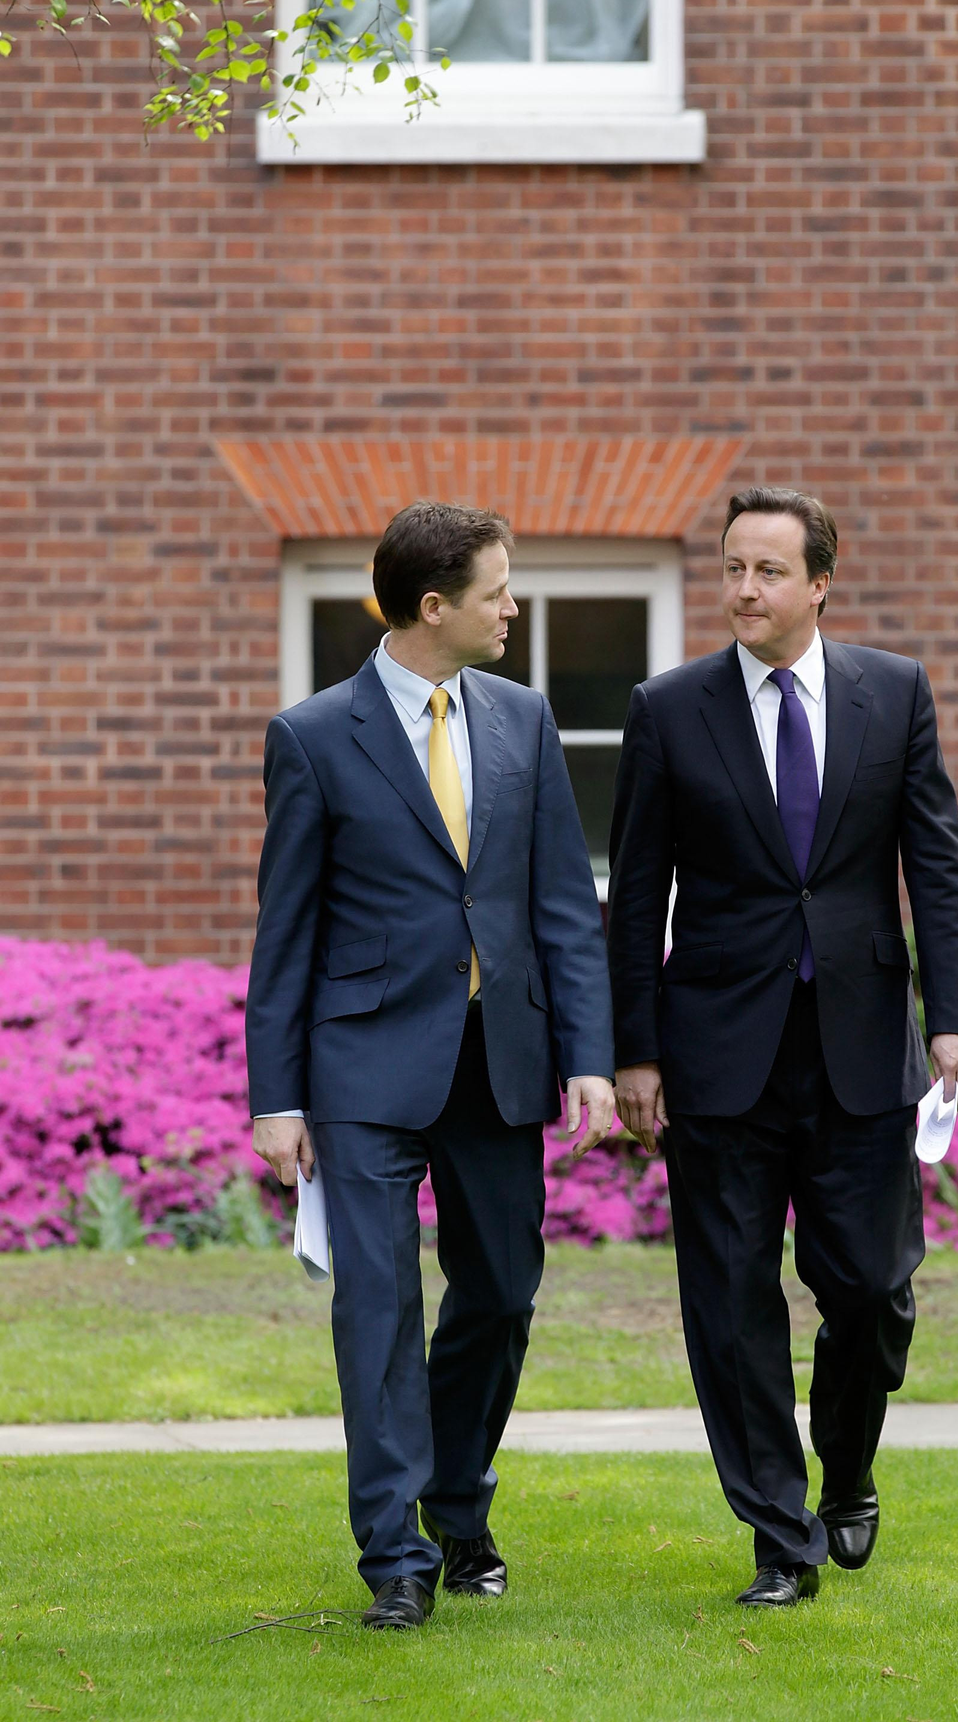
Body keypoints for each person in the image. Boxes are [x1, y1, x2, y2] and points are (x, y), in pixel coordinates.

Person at [607, 487, 958, 1608]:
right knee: (729, 1304)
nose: (744, 591)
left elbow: (939, 864)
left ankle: (850, 1471)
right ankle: (780, 1535)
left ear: (821, 580)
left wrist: (954, 1015)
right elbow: (636, 897)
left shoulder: (893, 691)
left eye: (768, 571)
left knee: (869, 1287)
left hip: (865, 1046)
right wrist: (636, 1049)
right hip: (718, 1050)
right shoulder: (669, 709)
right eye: (731, 569)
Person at [246, 501, 615, 1631]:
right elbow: (285, 929)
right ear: (433, 606)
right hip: (360, 1069)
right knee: (379, 1310)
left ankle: (459, 1498)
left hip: (498, 1060)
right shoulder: (313, 735)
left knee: (501, 1292)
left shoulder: (524, 718)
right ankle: (396, 1552)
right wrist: (278, 1096)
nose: (515, 607)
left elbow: (560, 903)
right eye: (499, 590)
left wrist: (589, 1060)